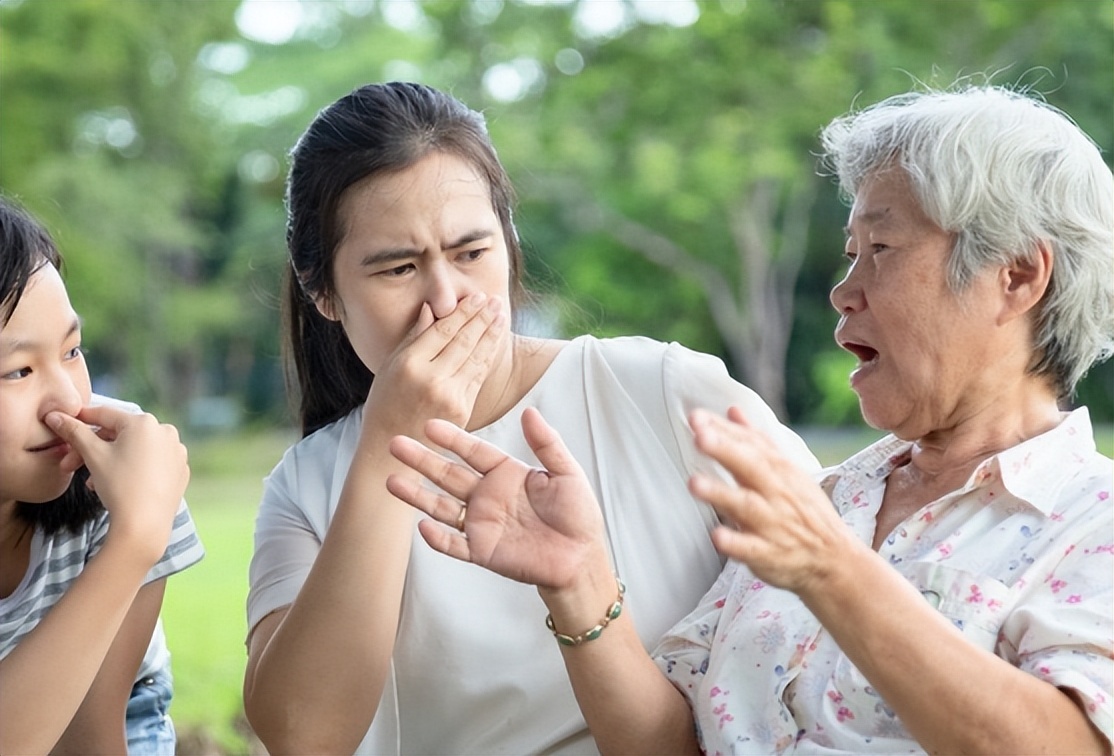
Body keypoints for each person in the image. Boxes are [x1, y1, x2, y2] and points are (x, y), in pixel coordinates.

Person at [386, 84, 1114, 754]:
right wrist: (579, 582)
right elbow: (670, 747)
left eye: (881, 249)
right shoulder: (830, 500)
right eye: (850, 253)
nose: (841, 291)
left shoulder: (1091, 521)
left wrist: (832, 570)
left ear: (1017, 275)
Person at [241, 81, 819, 754]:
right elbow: (302, 736)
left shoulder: (660, 390)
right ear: (324, 295)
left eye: (470, 253)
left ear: (509, 243)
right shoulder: (307, 486)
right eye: (398, 269)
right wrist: (388, 443)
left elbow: (843, 586)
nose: (447, 299)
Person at [0, 197, 205, 754]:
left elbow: (90, 738)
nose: (66, 399)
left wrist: (135, 534)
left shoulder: (123, 473)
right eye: (17, 370)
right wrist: (135, 541)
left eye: (72, 350)